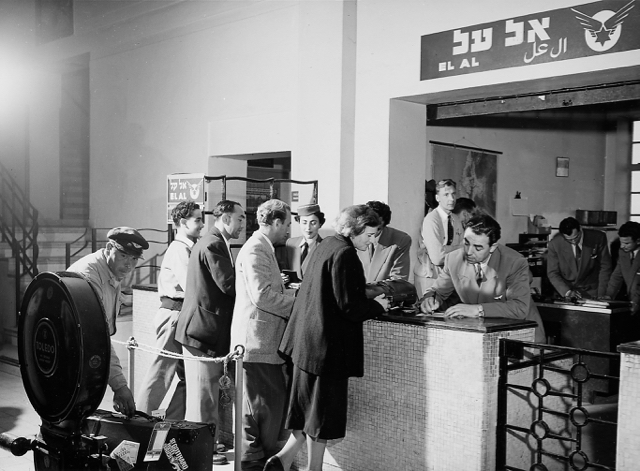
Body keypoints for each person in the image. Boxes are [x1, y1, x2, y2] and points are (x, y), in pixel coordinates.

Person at [267, 204, 390, 471]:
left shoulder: (327, 245)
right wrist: (380, 305)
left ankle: (283, 459)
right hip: (325, 348)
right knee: (321, 414)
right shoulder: (346, 253)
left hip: (305, 344)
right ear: (354, 230)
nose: (372, 240)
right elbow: (349, 305)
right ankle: (314, 469)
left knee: (306, 409)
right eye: (369, 234)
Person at [174, 200, 245, 466]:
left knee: (201, 394)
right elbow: (228, 285)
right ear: (225, 218)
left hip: (200, 329)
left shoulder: (211, 241)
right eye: (239, 219)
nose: (241, 225)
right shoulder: (213, 243)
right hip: (202, 331)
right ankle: (205, 450)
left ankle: (201, 447)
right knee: (204, 396)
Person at [229, 199, 296, 471]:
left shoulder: (262, 248)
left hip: (261, 342)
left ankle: (258, 461)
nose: (290, 230)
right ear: (276, 223)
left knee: (262, 409)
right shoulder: (256, 249)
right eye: (288, 224)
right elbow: (263, 297)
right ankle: (253, 464)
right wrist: (301, 302)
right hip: (256, 343)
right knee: (260, 410)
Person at [417, 214, 546, 343]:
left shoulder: (515, 262)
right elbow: (438, 290)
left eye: (478, 247)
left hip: (522, 334)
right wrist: (430, 298)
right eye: (466, 243)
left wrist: (477, 310)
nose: (469, 252)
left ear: (493, 247)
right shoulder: (453, 259)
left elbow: (519, 308)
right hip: (485, 334)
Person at [67, 226, 149, 417]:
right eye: (123, 256)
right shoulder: (91, 275)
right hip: (71, 349)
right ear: (109, 248)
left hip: (82, 349)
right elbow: (96, 334)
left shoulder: (110, 270)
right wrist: (119, 385)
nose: (129, 264)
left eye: (134, 258)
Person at [136, 201, 204, 421]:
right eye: (198, 219)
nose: (202, 224)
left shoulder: (190, 247)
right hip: (174, 315)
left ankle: (173, 423)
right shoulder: (179, 249)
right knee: (161, 373)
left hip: (183, 315)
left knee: (188, 377)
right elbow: (192, 286)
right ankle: (141, 422)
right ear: (183, 223)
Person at [414, 179, 465, 296]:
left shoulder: (456, 219)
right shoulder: (431, 220)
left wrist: (446, 249)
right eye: (446, 195)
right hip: (430, 276)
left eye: (453, 194)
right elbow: (437, 258)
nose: (451, 199)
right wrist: (459, 248)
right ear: (437, 198)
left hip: (448, 275)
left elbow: (466, 250)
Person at [547, 216, 612, 300]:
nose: (573, 242)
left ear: (580, 229)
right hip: (568, 291)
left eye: (576, 238)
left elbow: (605, 267)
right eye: (569, 240)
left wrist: (602, 294)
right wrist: (567, 292)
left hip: (592, 291)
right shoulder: (555, 244)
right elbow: (552, 273)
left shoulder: (598, 238)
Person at [357, 200, 412, 283]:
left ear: (382, 222)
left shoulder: (400, 240)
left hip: (382, 294)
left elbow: (398, 280)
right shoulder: (354, 236)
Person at [277, 203, 325, 282]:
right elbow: (286, 269)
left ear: (320, 224)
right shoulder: (290, 243)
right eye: (304, 223)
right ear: (299, 222)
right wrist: (282, 277)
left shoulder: (324, 247)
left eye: (313, 223)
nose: (308, 228)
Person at [604, 221, 640, 312]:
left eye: (627, 243)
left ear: (638, 241)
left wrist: (636, 302)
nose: (622, 246)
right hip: (632, 301)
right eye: (621, 242)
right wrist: (609, 295)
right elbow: (617, 276)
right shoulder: (623, 252)